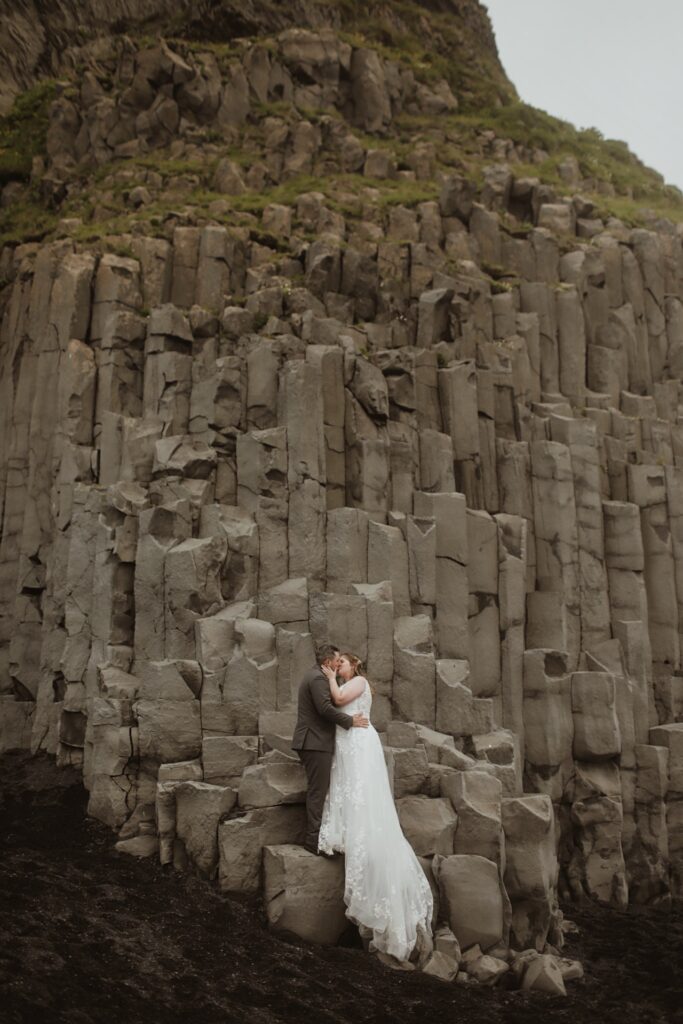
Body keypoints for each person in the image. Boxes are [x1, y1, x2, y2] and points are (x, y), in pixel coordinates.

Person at [318, 653, 433, 963]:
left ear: (355, 666)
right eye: (336, 662)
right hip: (350, 739)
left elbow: (339, 697)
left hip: (358, 742)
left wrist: (330, 678)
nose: (338, 665)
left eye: (342, 661)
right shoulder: (351, 680)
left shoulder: (358, 681)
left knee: (361, 793)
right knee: (349, 789)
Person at [291, 644, 369, 856]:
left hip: (316, 742)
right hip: (314, 742)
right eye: (336, 661)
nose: (337, 664)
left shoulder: (318, 676)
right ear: (327, 662)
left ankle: (317, 837)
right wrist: (350, 720)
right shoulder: (317, 678)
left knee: (320, 789)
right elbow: (325, 709)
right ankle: (312, 840)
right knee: (318, 791)